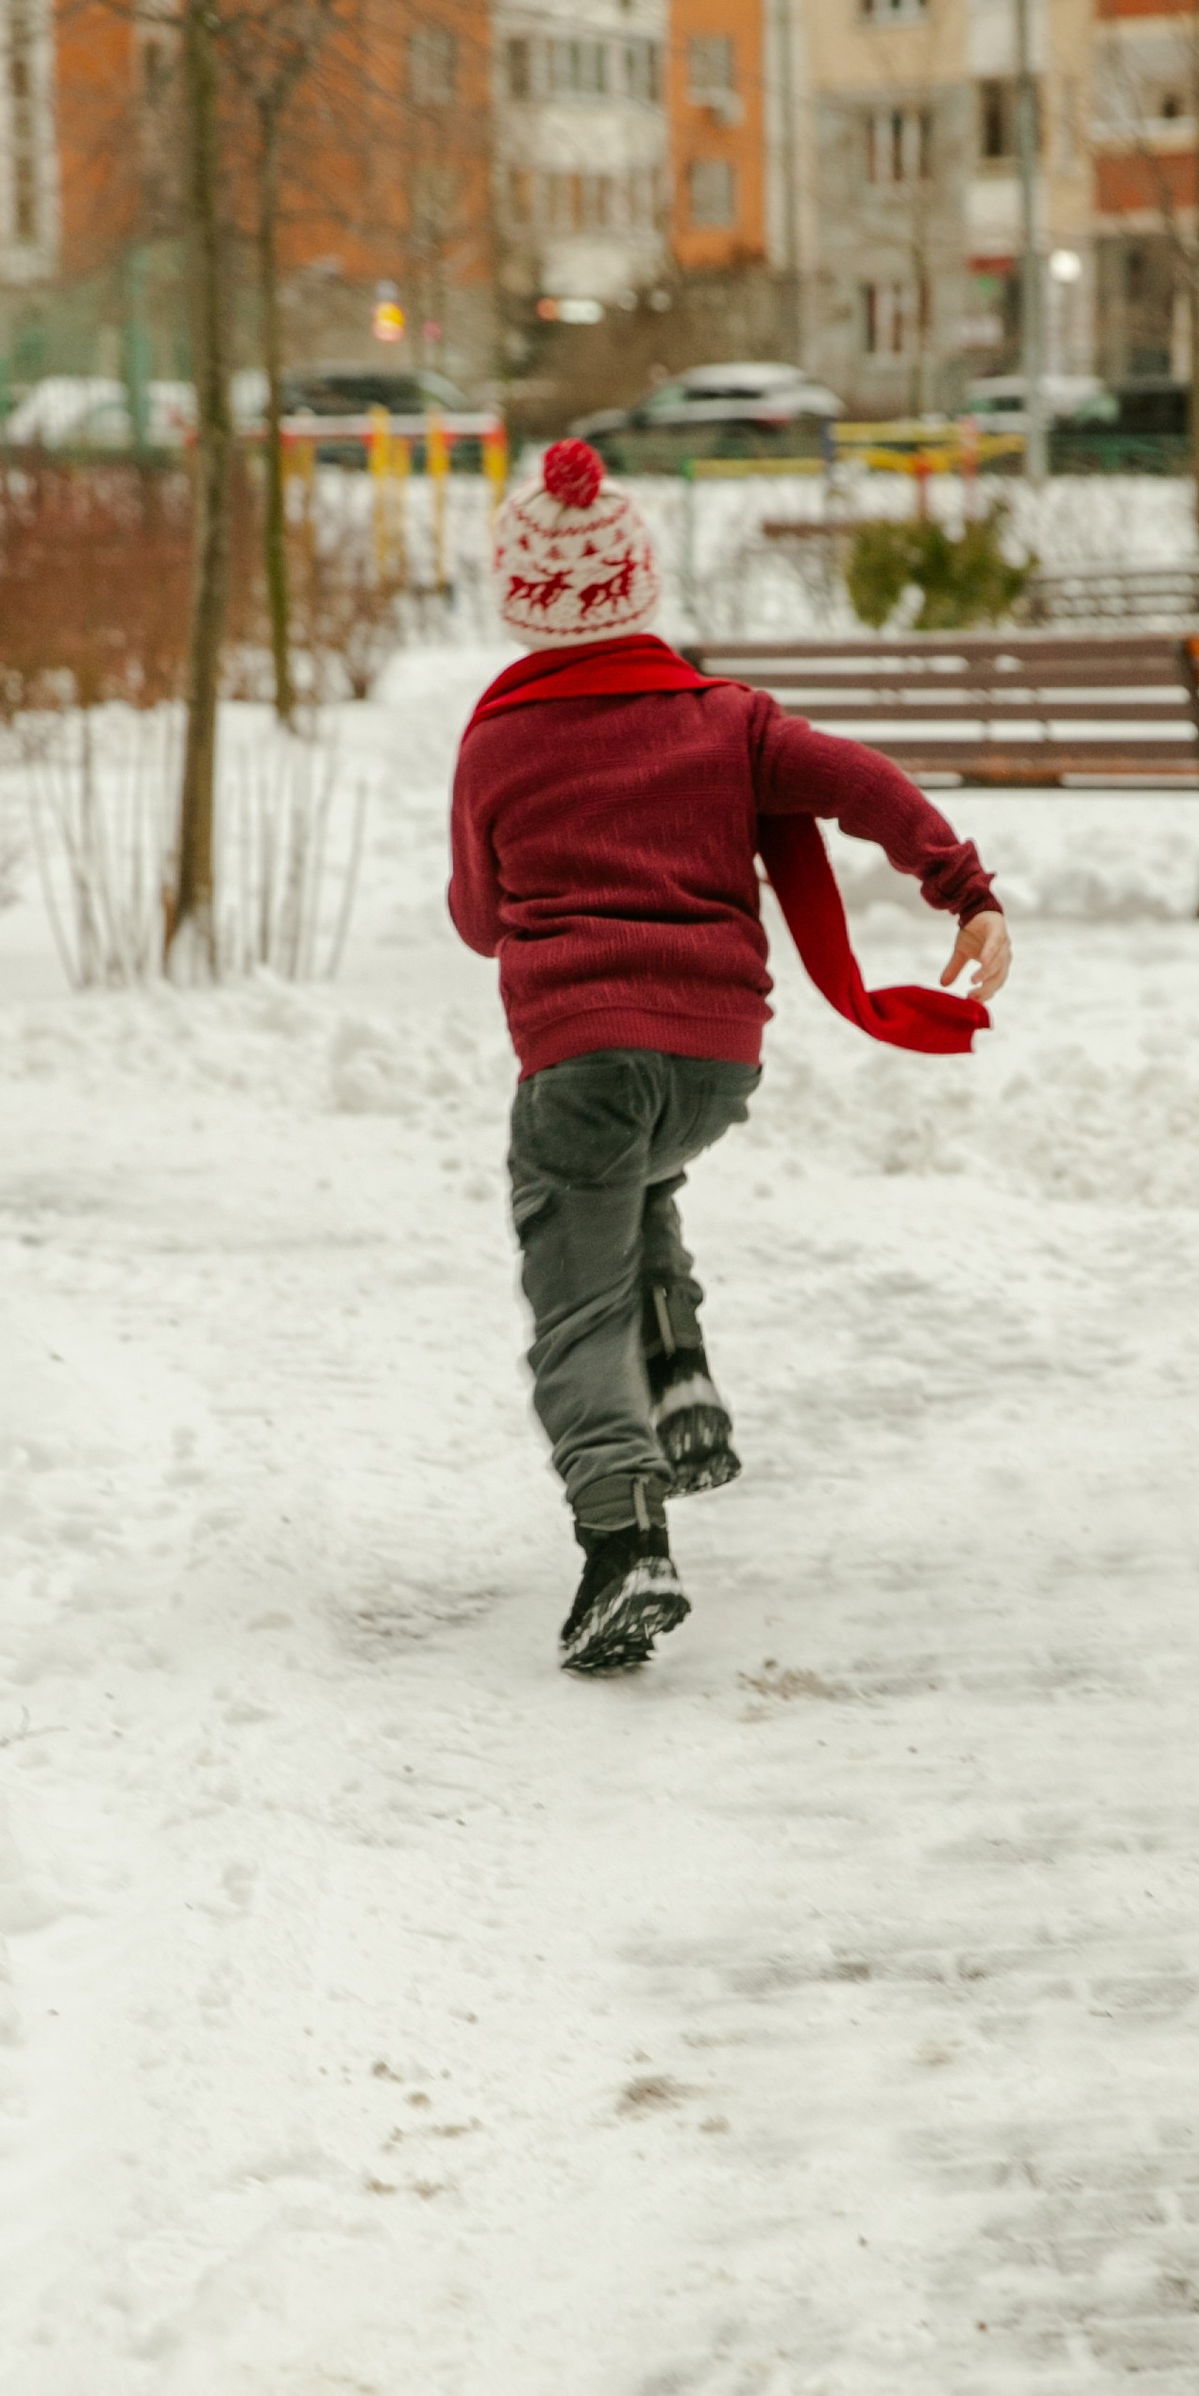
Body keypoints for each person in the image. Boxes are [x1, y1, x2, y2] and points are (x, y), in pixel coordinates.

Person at [449, 439, 1013, 1675]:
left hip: (581, 1061)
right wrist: (962, 889)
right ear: (639, 585)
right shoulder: (724, 719)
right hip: (713, 1066)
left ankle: (621, 1544)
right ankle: (683, 1372)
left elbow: (479, 919)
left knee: (573, 1300)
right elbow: (856, 783)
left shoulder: (495, 743)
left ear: (523, 599)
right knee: (639, 1184)